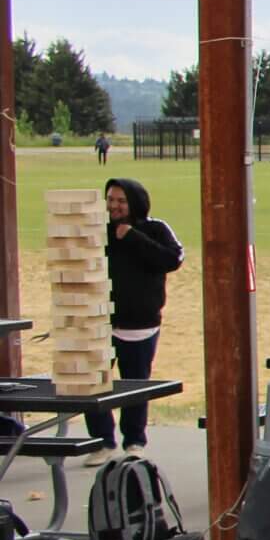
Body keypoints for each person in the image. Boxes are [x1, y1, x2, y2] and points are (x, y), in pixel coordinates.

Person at [90, 177, 185, 461]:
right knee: (93, 382)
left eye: (121, 200)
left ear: (134, 202)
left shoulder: (155, 228)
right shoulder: (97, 229)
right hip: (99, 322)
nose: (114, 206)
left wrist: (133, 236)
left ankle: (133, 441)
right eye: (110, 199)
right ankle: (102, 442)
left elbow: (173, 259)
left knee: (135, 384)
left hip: (140, 324)